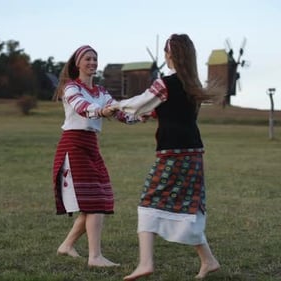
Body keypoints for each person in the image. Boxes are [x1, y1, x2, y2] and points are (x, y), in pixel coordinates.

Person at [112, 34, 221, 280]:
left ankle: (146, 263)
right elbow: (147, 113)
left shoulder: (165, 84)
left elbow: (140, 103)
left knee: (148, 201)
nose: (164, 55)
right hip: (194, 154)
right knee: (187, 205)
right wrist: (122, 114)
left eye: (165, 51)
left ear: (171, 54)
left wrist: (117, 106)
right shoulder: (192, 87)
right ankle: (208, 260)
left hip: (172, 154)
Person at [52, 45, 136, 267]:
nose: (92, 62)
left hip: (91, 145)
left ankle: (66, 245)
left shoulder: (101, 92)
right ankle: (95, 257)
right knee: (95, 201)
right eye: (87, 59)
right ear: (78, 63)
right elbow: (82, 107)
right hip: (73, 145)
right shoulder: (70, 88)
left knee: (97, 199)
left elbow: (120, 114)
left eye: (95, 59)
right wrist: (100, 111)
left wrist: (144, 115)